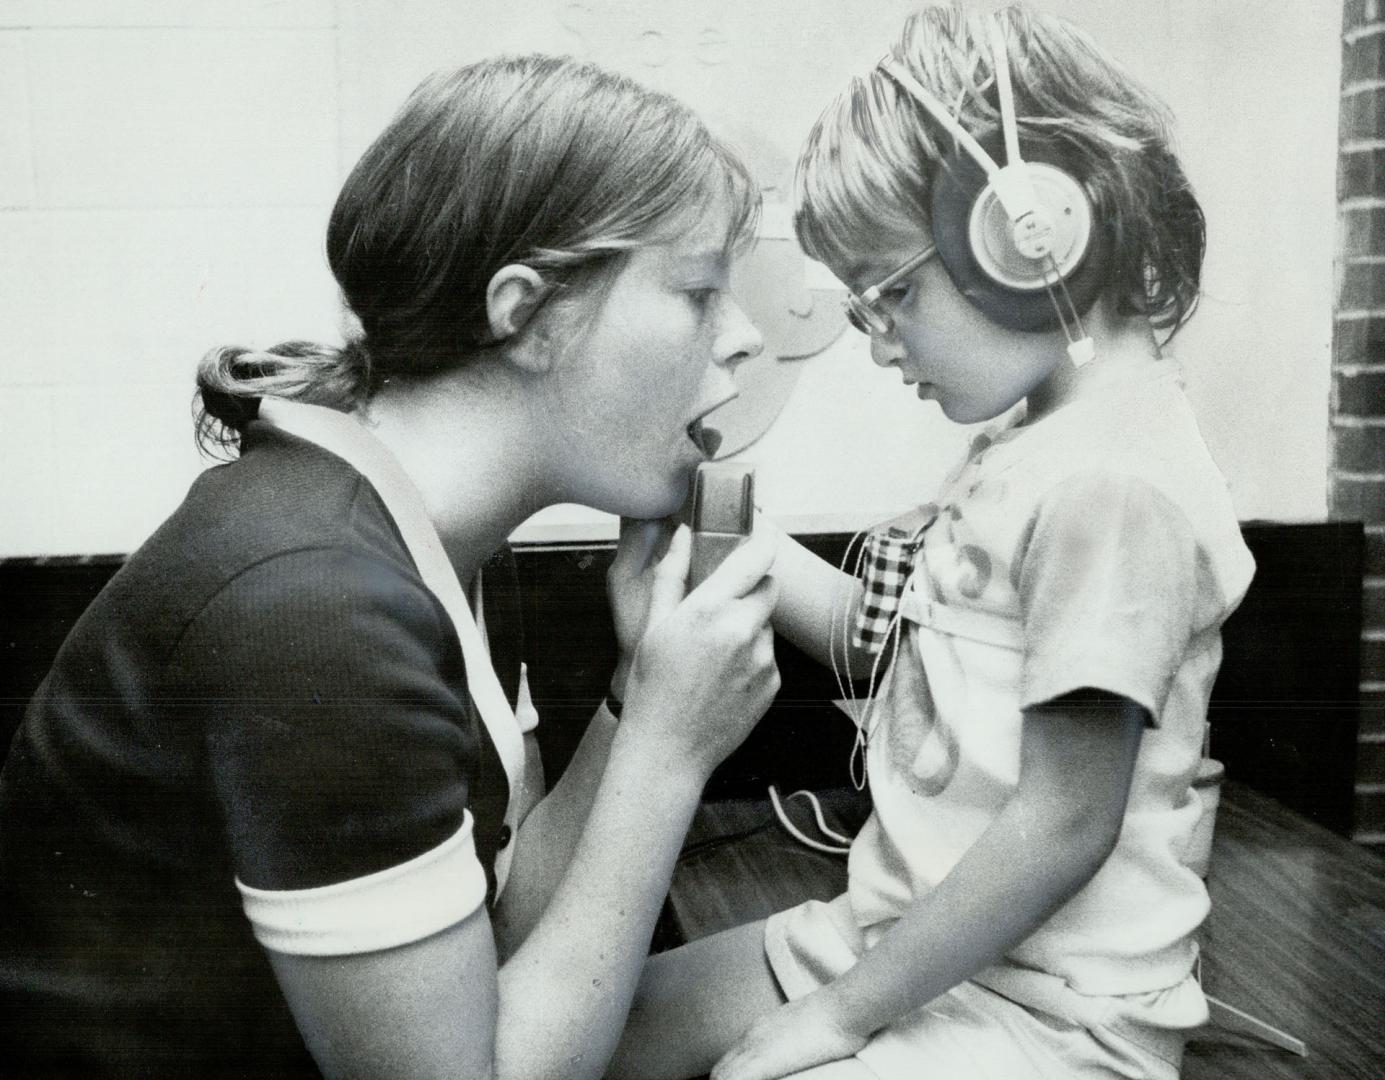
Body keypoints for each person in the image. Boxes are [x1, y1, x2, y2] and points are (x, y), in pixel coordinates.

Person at [0, 54, 780, 1078]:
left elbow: (496, 934)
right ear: (526, 314)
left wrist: (638, 693)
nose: (746, 340)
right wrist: (672, 751)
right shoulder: (318, 608)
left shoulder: (404, 524)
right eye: (698, 293)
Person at [609, 5, 1255, 1079]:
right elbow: (906, 663)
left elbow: (1060, 823)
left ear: (1028, 229)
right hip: (905, 942)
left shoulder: (1105, 485)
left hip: (1046, 1010)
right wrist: (726, 531)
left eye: (891, 294)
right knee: (603, 1028)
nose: (876, 343)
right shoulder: (1036, 443)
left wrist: (832, 1021)